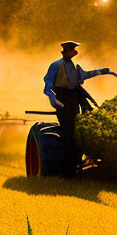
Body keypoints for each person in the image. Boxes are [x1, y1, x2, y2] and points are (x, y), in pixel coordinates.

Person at [43, 41, 109, 173]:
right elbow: (47, 85)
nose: (74, 52)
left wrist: (101, 71)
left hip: (74, 99)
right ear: (67, 52)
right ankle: (69, 165)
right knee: (68, 131)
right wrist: (53, 99)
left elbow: (84, 75)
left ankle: (77, 158)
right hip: (63, 100)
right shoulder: (56, 66)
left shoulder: (73, 66)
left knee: (77, 128)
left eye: (74, 50)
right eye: (72, 50)